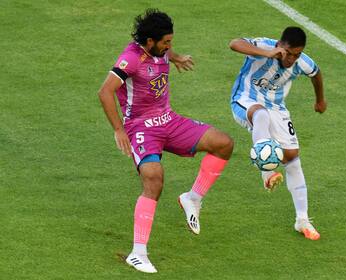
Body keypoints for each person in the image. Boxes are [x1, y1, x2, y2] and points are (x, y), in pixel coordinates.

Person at [98, 9, 233, 273]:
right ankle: (138, 253)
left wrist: (177, 56)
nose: (169, 46)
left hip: (168, 120)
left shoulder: (160, 51)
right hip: (140, 128)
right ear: (150, 41)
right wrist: (119, 130)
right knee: (153, 178)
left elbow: (165, 53)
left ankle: (192, 198)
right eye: (166, 42)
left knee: (223, 143)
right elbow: (105, 92)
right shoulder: (131, 59)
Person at [229, 27, 326, 240]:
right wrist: (266, 53)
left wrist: (320, 99)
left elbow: (316, 73)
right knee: (260, 116)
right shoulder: (263, 45)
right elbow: (234, 43)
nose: (292, 59)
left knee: (293, 158)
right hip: (244, 100)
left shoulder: (301, 62)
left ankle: (302, 220)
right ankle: (267, 171)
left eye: (296, 55)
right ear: (280, 45)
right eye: (289, 53)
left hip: (277, 107)